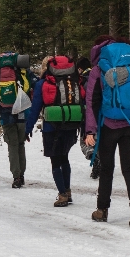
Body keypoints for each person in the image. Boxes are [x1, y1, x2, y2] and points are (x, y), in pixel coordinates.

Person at [85, 36, 130, 227]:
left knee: (107, 169)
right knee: (129, 168)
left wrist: (90, 131)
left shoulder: (99, 70)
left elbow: (91, 102)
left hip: (108, 126)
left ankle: (102, 210)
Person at [25, 55, 86, 207]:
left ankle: (62, 194)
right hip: (71, 125)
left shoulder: (42, 84)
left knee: (55, 161)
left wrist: (28, 129)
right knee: (64, 158)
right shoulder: (74, 82)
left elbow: (35, 110)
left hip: (51, 128)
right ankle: (68, 190)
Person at [0, 52, 35, 188]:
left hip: (6, 114)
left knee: (12, 146)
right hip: (22, 111)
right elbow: (34, 84)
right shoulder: (23, 71)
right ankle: (22, 175)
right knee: (21, 144)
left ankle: (16, 176)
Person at [76, 57, 102, 180]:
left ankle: (93, 157)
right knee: (99, 140)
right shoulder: (97, 74)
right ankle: (99, 161)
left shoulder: (82, 80)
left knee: (85, 142)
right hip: (101, 114)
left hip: (87, 115)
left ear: (80, 68)